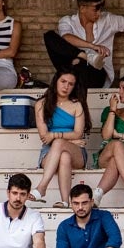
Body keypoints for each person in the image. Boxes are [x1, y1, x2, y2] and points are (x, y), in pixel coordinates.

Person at [43, 0, 124, 91]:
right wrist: (92, 48)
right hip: (71, 70)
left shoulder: (108, 20)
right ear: (82, 8)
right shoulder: (67, 21)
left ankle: (82, 60)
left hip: (95, 74)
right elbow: (66, 37)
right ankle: (85, 57)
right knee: (49, 36)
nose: (99, 13)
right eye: (95, 9)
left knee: (80, 63)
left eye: (101, 8)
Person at [32, 68, 89, 208]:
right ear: (55, 82)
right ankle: (65, 201)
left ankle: (42, 187)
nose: (66, 86)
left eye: (71, 84)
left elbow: (78, 134)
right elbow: (44, 137)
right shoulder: (41, 104)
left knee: (59, 143)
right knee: (64, 156)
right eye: (63, 81)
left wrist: (57, 136)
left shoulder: (77, 104)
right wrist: (69, 140)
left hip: (76, 151)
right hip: (49, 153)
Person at [93, 75, 124, 206]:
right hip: (106, 154)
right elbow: (107, 136)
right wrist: (113, 110)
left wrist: (118, 134)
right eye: (119, 88)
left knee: (116, 158)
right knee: (117, 145)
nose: (119, 92)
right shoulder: (110, 111)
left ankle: (97, 194)